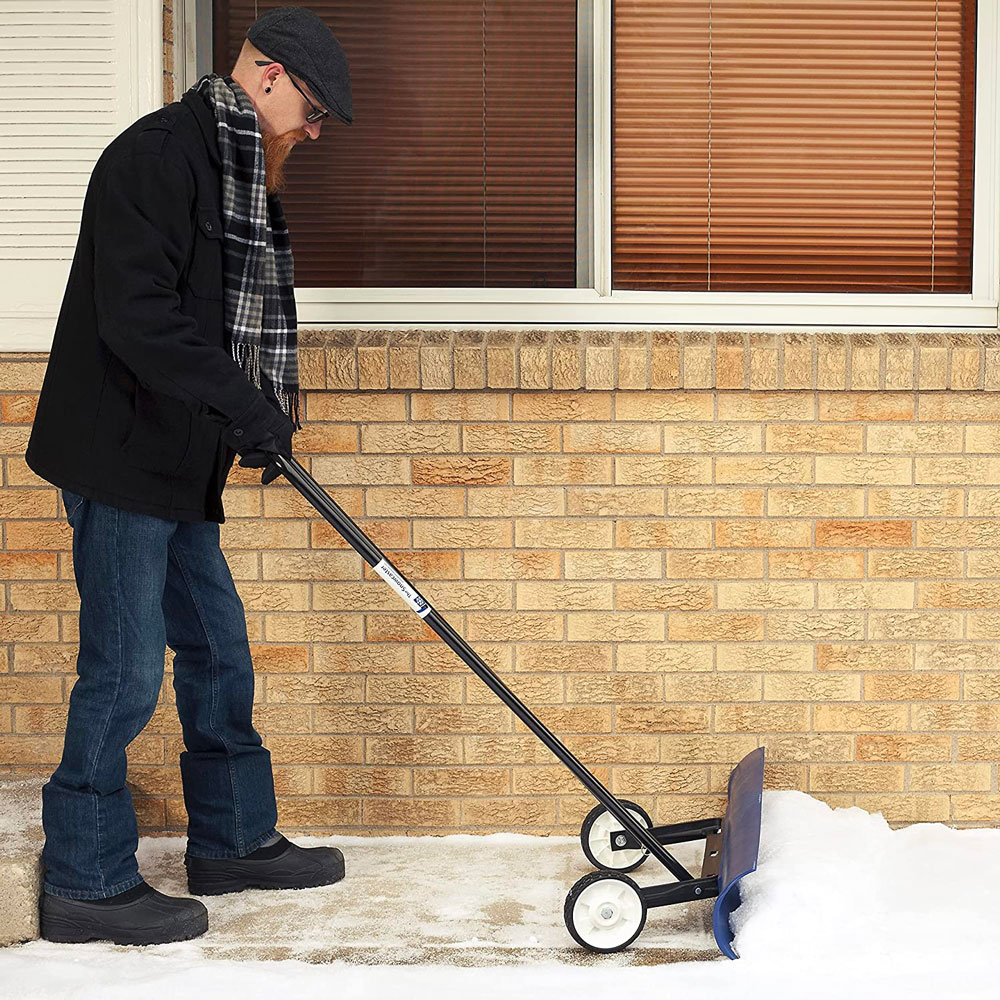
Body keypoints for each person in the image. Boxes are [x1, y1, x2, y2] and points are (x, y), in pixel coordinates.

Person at [23, 6, 354, 946]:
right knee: (126, 673)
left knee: (217, 652)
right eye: (314, 110)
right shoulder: (159, 158)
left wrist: (242, 420)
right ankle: (85, 881)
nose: (315, 133)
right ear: (268, 76)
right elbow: (141, 321)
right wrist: (245, 405)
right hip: (119, 457)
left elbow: (213, 319)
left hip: (178, 459)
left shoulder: (237, 171)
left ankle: (233, 840)